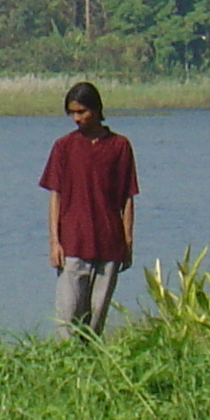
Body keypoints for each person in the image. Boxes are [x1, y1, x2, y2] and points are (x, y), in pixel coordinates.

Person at [40, 81, 138, 339]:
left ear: (96, 109)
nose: (77, 118)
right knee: (68, 315)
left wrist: (127, 241)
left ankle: (90, 366)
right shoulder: (64, 147)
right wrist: (54, 242)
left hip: (108, 244)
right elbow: (55, 196)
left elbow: (127, 197)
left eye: (82, 112)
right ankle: (65, 366)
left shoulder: (119, 146)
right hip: (73, 243)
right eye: (72, 113)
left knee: (95, 317)